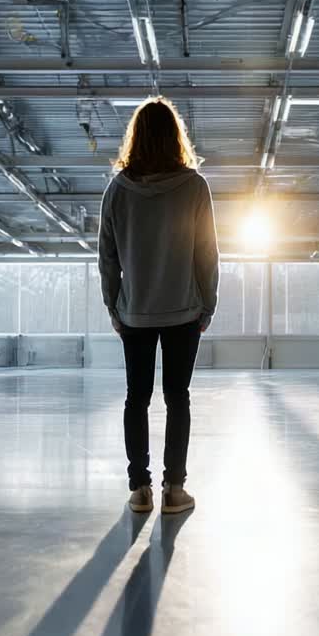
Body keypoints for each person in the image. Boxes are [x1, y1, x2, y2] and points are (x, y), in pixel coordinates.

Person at [98, 97, 218, 515]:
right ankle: (174, 490)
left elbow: (107, 257)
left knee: (137, 398)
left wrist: (114, 307)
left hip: (135, 312)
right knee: (177, 397)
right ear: (175, 137)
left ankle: (139, 490)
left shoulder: (117, 190)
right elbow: (207, 252)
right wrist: (209, 304)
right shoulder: (194, 186)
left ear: (136, 136)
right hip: (184, 311)